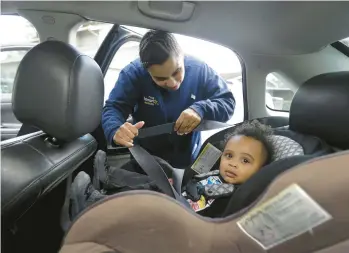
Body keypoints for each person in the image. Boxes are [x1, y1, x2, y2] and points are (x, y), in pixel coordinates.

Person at [70, 120, 274, 219]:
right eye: (229, 156)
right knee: (157, 175)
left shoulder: (240, 196)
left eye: (245, 161)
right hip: (180, 197)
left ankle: (93, 204)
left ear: (261, 170)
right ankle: (108, 176)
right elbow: (195, 180)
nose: (233, 163)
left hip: (183, 218)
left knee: (148, 196)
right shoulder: (218, 175)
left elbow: (213, 219)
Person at [102, 30, 235, 168]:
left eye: (177, 71)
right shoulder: (133, 74)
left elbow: (227, 102)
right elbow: (113, 108)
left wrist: (201, 109)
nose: (173, 83)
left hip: (188, 160)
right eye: (160, 78)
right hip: (145, 161)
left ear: (182, 56)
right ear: (146, 71)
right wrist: (115, 129)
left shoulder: (200, 70)